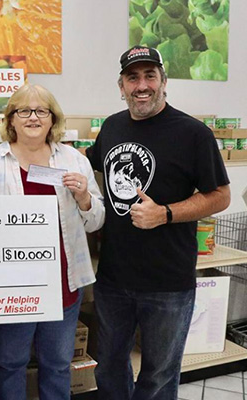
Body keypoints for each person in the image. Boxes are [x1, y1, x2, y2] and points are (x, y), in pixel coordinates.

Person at [86, 46, 231, 400]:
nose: (142, 85)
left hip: (168, 282)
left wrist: (164, 213)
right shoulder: (112, 126)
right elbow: (89, 167)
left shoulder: (193, 133)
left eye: (150, 76)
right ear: (121, 86)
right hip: (113, 278)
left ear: (164, 82)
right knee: (108, 364)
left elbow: (221, 195)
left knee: (159, 375)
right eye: (133, 77)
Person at [0, 83, 105, 399]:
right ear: (11, 119)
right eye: (24, 110)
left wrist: (85, 197)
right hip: (10, 287)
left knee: (57, 365)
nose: (33, 117)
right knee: (8, 364)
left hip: (63, 284)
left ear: (52, 118)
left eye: (41, 111)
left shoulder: (73, 160)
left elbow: (98, 220)